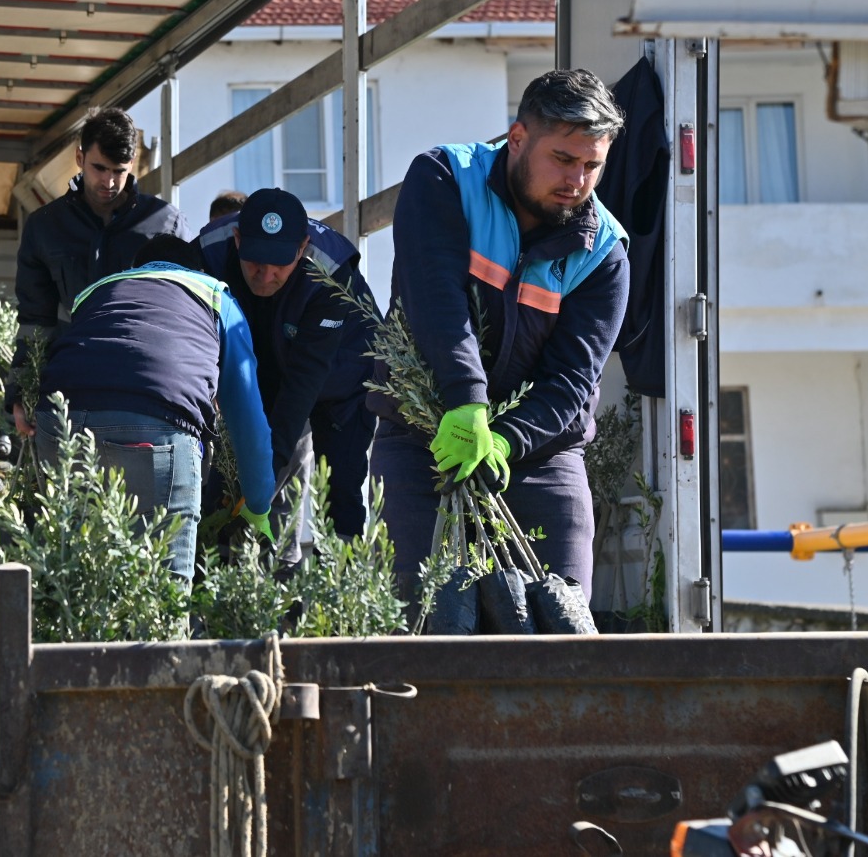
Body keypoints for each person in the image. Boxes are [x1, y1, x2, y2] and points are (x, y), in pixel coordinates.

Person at [370, 68, 629, 601]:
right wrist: (466, 403)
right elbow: (434, 299)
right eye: (562, 159)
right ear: (517, 139)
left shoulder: (604, 254)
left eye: (591, 166)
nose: (577, 182)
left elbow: (570, 382)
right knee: (420, 621)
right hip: (421, 440)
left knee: (561, 626)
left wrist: (504, 443)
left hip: (541, 458)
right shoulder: (443, 179)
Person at [36, 234, 276, 579]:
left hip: (59, 420)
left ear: (137, 270)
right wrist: (258, 505)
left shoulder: (98, 292)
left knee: (77, 584)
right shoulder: (211, 293)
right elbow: (247, 417)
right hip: (155, 423)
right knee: (163, 593)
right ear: (194, 270)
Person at [196, 188, 381, 537]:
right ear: (237, 240)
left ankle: (341, 580)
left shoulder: (330, 272)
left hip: (341, 377)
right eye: (255, 263)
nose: (265, 277)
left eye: (279, 265)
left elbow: (302, 383)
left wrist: (260, 487)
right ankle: (217, 565)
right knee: (225, 482)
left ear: (302, 248)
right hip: (267, 361)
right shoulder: (208, 251)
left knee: (337, 490)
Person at [10, 108, 187, 433]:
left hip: (146, 392)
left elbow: (188, 316)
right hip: (70, 390)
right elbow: (35, 319)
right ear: (79, 157)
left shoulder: (166, 223)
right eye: (99, 168)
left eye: (118, 171)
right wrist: (23, 393)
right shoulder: (45, 227)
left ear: (132, 163)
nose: (108, 182)